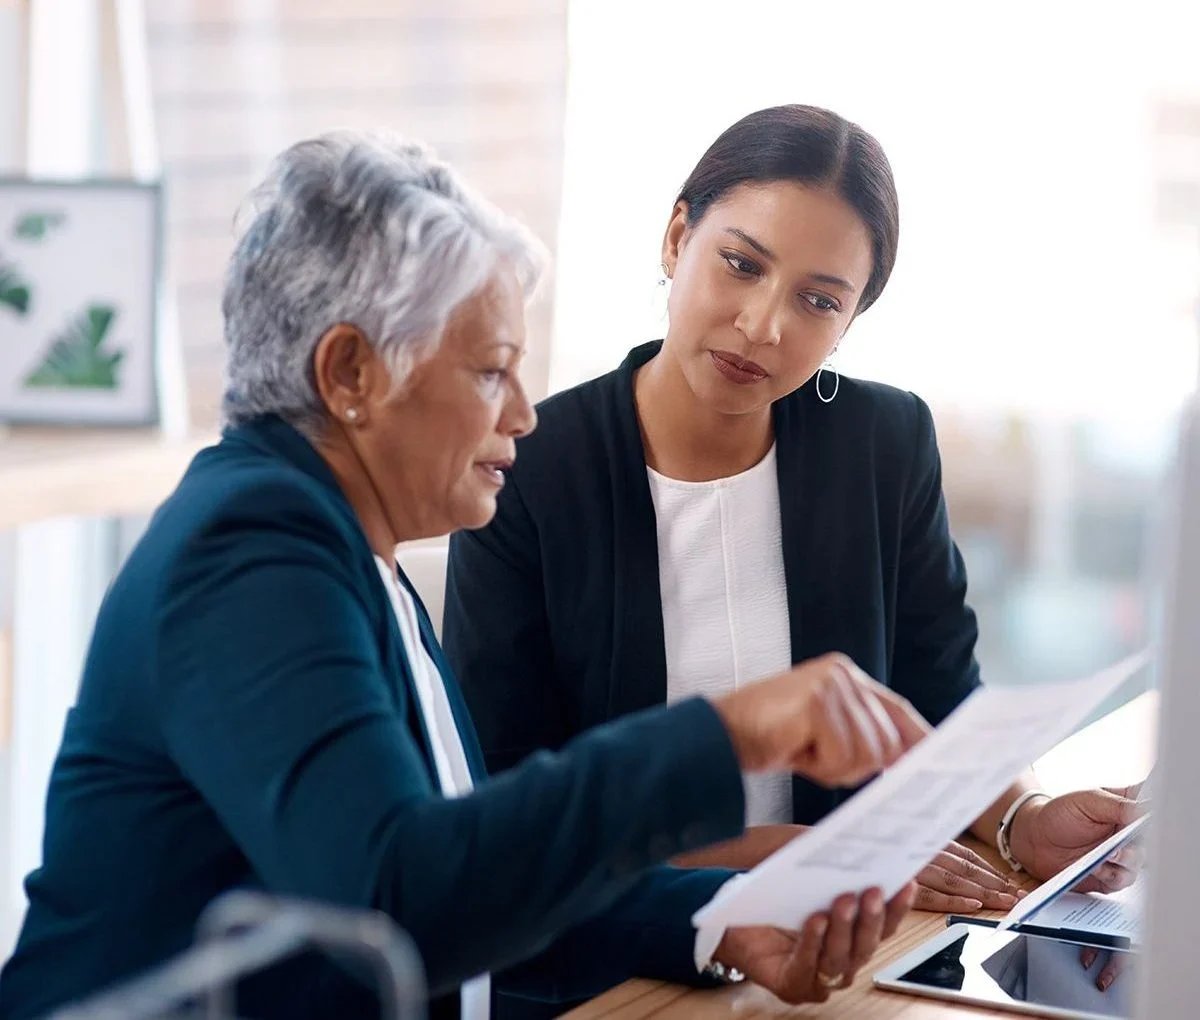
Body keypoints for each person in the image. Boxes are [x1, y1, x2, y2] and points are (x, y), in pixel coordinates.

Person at [0, 132, 928, 1020]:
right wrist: (726, 734)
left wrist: (718, 917)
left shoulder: (354, 557)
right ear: (351, 372)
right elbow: (397, 900)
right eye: (492, 372)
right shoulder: (250, 549)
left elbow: (470, 876)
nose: (524, 415)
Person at [444, 102, 1144, 962]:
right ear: (675, 240)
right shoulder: (526, 468)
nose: (765, 325)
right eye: (741, 264)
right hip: (613, 959)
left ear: (850, 322)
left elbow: (940, 692)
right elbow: (509, 811)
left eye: (818, 300)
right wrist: (797, 865)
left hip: (846, 945)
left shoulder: (883, 443)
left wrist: (1021, 818)